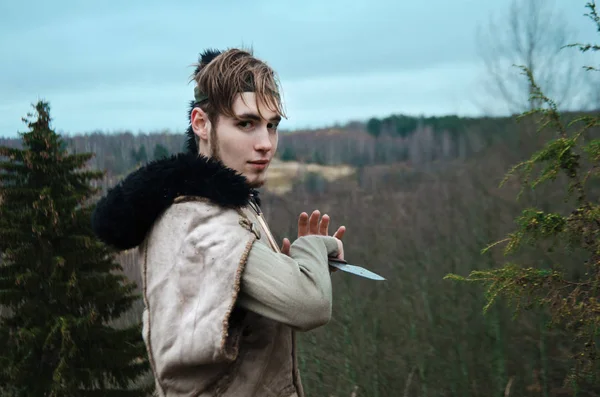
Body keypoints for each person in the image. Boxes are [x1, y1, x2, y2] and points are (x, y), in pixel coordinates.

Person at [91, 48, 345, 397]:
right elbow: (311, 305)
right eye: (246, 124)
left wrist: (296, 268)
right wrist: (313, 248)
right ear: (201, 124)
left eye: (272, 126)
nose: (265, 144)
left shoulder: (226, 204)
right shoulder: (200, 222)